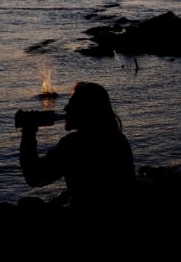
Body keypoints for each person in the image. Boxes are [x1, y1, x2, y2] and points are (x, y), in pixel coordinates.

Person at [18, 81, 135, 212]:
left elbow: (35, 177)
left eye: (71, 104)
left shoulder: (73, 144)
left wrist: (28, 132)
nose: (65, 109)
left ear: (84, 110)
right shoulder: (117, 138)